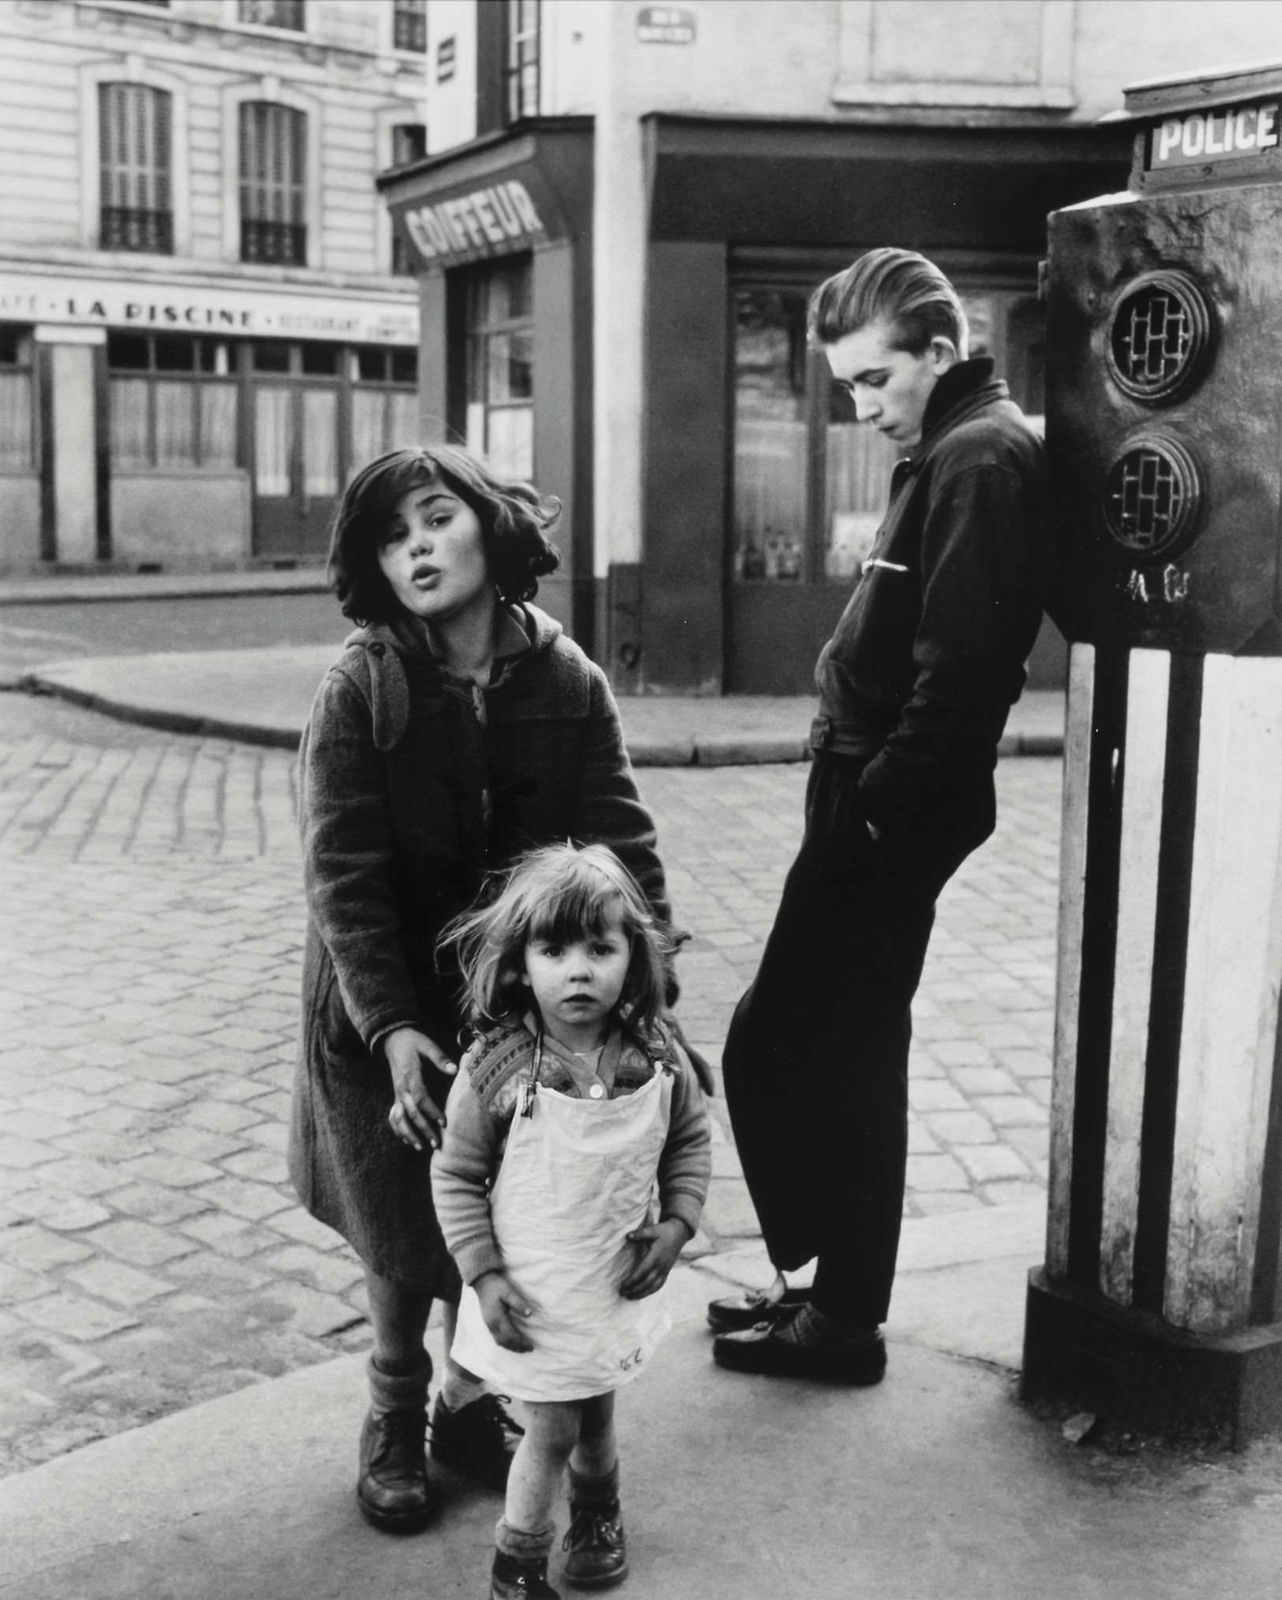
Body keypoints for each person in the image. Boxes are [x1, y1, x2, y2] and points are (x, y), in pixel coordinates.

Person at [289, 445, 679, 1534]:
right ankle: (393, 1408)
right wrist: (393, 1026)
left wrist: (652, 989)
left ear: (490, 527)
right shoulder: (359, 688)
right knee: (402, 1230)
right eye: (389, 534)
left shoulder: (568, 682)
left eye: (433, 517)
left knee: (500, 1213)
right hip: (381, 1014)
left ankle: (465, 1404)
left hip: (516, 1013)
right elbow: (342, 878)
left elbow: (625, 849)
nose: (414, 546)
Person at [708, 248, 1047, 1381]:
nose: (858, 408)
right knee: (832, 1046)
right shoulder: (946, 446)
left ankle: (841, 1315)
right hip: (867, 788)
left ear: (939, 354)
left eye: (870, 380)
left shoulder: (980, 456)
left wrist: (868, 818)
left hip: (884, 798)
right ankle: (827, 1293)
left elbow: (960, 681)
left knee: (787, 1047)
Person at [432, 844, 711, 1599]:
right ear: (522, 963)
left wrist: (679, 1223)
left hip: (612, 1279)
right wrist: (483, 1276)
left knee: (596, 1406)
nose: (579, 969)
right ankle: (516, 1568)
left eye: (600, 947)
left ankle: (598, 1514)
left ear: (634, 957)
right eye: (555, 950)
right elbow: (456, 1174)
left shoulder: (654, 1056)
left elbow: (687, 1141)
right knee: (551, 1426)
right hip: (534, 1290)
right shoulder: (498, 1068)